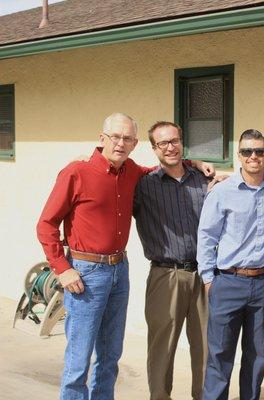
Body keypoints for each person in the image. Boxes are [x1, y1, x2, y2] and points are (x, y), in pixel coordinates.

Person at [36, 113, 212, 400]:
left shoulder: (132, 172)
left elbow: (170, 165)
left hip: (120, 269)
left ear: (135, 143)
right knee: (79, 357)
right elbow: (45, 224)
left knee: (110, 354)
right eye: (115, 137)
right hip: (85, 272)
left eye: (127, 138)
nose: (121, 143)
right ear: (102, 137)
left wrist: (195, 163)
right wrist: (61, 268)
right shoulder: (76, 172)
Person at [197, 129, 264, 400]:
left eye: (259, 151)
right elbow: (207, 236)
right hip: (228, 282)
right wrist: (208, 278)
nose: (253, 156)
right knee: (220, 355)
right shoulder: (222, 192)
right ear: (239, 155)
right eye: (247, 151)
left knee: (257, 356)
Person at [133, 121, 209, 400]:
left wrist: (199, 164)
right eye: (162, 143)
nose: (170, 147)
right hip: (166, 275)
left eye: (174, 140)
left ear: (182, 142)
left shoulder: (204, 179)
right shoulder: (143, 185)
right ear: (153, 148)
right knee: (161, 348)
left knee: (207, 346)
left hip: (205, 275)